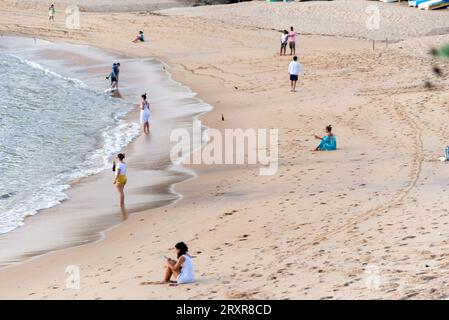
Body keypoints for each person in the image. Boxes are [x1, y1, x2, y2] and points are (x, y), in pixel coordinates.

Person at [113, 153, 127, 221]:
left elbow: (118, 172)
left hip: (120, 178)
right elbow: (120, 169)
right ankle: (122, 203)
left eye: (117, 157)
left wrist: (115, 180)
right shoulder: (124, 163)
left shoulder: (119, 164)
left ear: (118, 158)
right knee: (121, 191)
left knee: (121, 193)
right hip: (124, 178)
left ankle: (121, 204)